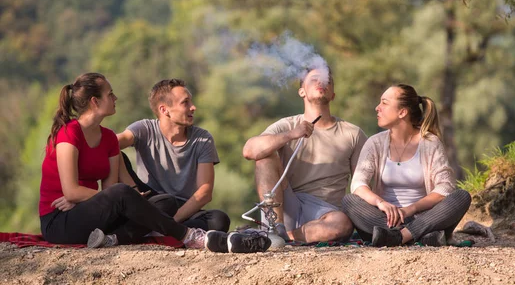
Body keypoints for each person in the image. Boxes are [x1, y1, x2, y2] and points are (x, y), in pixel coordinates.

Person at [39, 72, 268, 253]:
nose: (116, 98)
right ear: (94, 102)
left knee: (190, 210)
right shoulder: (69, 133)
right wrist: (91, 197)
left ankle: (118, 237)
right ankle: (189, 237)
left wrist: (122, 199)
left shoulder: (108, 137)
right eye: (110, 94)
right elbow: (72, 191)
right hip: (60, 219)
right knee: (131, 195)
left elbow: (108, 192)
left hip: (97, 218)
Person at [243, 67, 368, 243]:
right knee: (264, 157)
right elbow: (249, 151)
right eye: (314, 79)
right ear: (302, 91)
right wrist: (290, 135)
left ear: (333, 94)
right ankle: (275, 227)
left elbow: (361, 183)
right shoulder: (287, 125)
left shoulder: (353, 133)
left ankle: (282, 238)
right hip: (287, 205)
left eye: (327, 80)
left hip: (327, 213)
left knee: (343, 224)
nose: (321, 82)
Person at [342, 84, 471, 247]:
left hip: (423, 218)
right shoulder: (375, 143)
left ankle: (398, 237)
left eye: (384, 103)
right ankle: (419, 236)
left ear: (402, 112)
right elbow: (358, 184)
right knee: (349, 200)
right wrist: (381, 203)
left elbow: (444, 187)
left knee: (462, 196)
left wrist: (410, 209)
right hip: (384, 220)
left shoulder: (430, 143)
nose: (377, 108)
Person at [117, 79, 230, 233]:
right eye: (185, 102)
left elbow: (205, 193)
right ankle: (166, 232)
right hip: (151, 202)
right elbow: (111, 144)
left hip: (183, 210)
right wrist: (134, 188)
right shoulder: (144, 129)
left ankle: (154, 231)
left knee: (219, 220)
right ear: (164, 110)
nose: (193, 107)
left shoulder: (203, 138)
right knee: (117, 155)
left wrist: (171, 222)